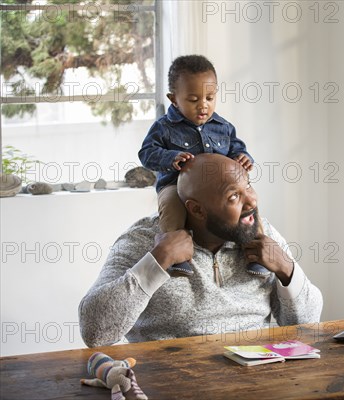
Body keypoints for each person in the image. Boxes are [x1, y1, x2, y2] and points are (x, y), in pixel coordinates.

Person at [78, 154, 323, 348]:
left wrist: (287, 269)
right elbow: (94, 332)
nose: (251, 202)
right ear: (197, 210)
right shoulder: (143, 240)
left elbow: (307, 327)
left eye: (248, 186)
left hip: (253, 381)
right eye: (234, 196)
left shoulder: (262, 233)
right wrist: (157, 261)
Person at [138, 55, 253, 276]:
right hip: (176, 187)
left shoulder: (223, 127)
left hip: (219, 190)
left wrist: (243, 157)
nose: (203, 105)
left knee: (249, 201)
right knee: (171, 207)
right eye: (193, 99)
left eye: (210, 98)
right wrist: (169, 157)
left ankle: (255, 246)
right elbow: (146, 153)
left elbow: (237, 149)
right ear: (174, 99)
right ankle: (175, 252)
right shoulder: (164, 127)